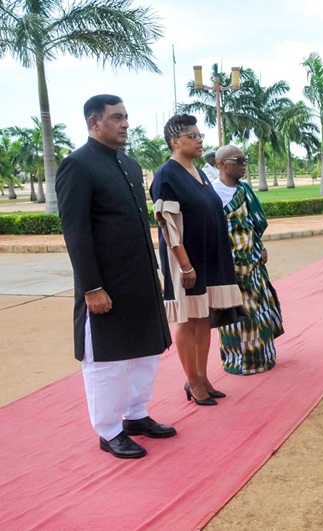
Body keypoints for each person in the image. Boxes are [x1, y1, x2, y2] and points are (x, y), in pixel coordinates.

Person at [56, 94, 175, 459]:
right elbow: (76, 231)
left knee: (145, 352)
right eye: (116, 118)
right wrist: (92, 287)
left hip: (140, 279)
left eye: (125, 117)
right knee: (107, 361)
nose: (125, 124)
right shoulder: (77, 165)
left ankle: (136, 415)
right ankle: (109, 430)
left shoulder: (129, 164)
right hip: (105, 284)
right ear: (94, 123)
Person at [150, 114, 244, 406]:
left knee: (204, 318)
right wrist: (185, 265)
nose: (200, 140)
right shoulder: (167, 175)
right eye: (192, 136)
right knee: (188, 319)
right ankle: (191, 380)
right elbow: (167, 225)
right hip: (186, 260)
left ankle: (203, 377)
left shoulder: (199, 173)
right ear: (175, 142)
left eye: (200, 135)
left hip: (208, 255)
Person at [211, 145, 285, 374]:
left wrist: (260, 246)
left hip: (253, 264)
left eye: (245, 160)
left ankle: (263, 358)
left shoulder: (245, 190)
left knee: (260, 312)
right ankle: (238, 362)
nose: (244, 164)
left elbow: (253, 224)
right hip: (228, 267)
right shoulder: (211, 193)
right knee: (236, 316)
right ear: (222, 164)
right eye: (239, 160)